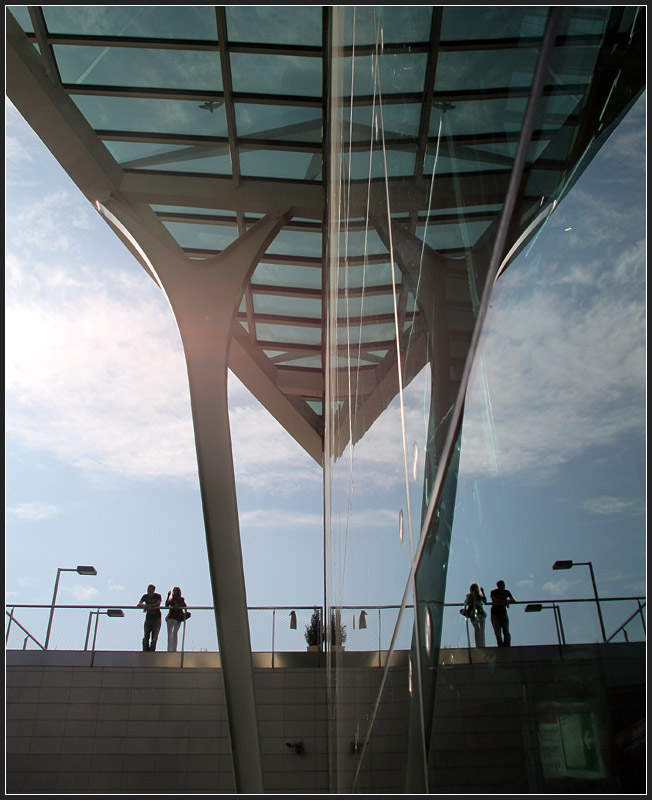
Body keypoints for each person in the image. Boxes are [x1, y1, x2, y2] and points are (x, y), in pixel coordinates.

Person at [490, 580, 515, 646]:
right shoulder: (494, 592)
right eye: (501, 585)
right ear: (498, 586)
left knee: (506, 630)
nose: (503, 586)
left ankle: (507, 645)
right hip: (495, 613)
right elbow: (494, 600)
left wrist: (503, 602)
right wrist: (505, 602)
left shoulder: (507, 592)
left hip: (503, 613)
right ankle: (500, 645)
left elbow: (513, 599)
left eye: (503, 585)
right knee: (497, 631)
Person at [137, 584, 162, 651]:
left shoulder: (157, 596)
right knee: (146, 636)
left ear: (153, 590)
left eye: (150, 589)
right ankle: (145, 650)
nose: (148, 591)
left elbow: (158, 604)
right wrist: (144, 606)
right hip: (148, 618)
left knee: (154, 636)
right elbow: (138, 604)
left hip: (156, 618)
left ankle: (152, 650)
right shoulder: (145, 596)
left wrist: (148, 607)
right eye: (148, 589)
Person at [165, 587, 188, 652]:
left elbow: (184, 606)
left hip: (177, 618)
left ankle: (174, 649)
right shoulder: (171, 599)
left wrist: (184, 614)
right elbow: (166, 605)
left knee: (175, 632)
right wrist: (168, 596)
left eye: (176, 591)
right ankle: (169, 649)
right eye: (174, 591)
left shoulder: (181, 599)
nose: (175, 592)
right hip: (170, 617)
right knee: (169, 633)